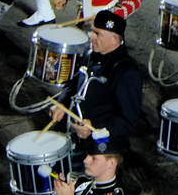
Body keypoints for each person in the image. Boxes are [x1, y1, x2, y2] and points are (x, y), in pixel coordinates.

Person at [52, 10, 144, 143]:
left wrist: (95, 127)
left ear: (113, 40)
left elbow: (128, 121)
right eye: (93, 32)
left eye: (97, 34)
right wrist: (62, 103)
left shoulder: (126, 71)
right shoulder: (90, 54)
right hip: (72, 133)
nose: (91, 37)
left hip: (100, 146)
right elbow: (73, 84)